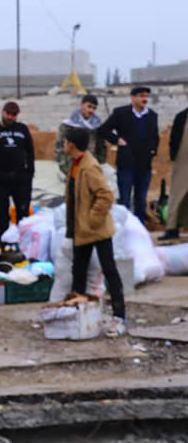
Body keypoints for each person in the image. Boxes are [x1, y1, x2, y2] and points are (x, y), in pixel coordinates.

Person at [63, 127, 126, 337]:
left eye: (65, 141)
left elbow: (105, 195)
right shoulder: (75, 164)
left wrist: (92, 218)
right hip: (82, 230)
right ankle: (77, 312)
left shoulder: (89, 167)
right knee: (78, 271)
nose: (63, 144)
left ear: (72, 144)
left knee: (109, 269)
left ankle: (119, 316)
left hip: (96, 229)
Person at [98, 87, 159, 223]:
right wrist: (117, 140)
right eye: (141, 96)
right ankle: (123, 228)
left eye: (146, 96)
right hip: (126, 164)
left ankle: (139, 229)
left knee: (141, 200)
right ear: (133, 98)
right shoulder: (121, 113)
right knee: (124, 199)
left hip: (144, 165)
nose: (144, 99)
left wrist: (152, 151)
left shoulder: (152, 116)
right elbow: (103, 129)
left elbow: (155, 137)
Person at [0, 101, 35, 237]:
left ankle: (23, 245)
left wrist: (29, 173)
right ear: (3, 112)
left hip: (20, 179)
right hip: (0, 179)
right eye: (8, 114)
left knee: (23, 214)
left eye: (14, 115)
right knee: (1, 214)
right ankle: (3, 243)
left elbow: (30, 152)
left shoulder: (22, 129)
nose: (10, 117)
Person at [55, 94, 105, 177]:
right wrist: (63, 165)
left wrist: (99, 164)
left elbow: (101, 147)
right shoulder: (68, 125)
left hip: (90, 166)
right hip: (71, 165)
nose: (91, 110)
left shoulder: (97, 126)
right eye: (89, 106)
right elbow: (59, 146)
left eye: (94, 108)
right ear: (81, 105)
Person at [164, 106, 188, 240]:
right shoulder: (181, 117)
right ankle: (172, 228)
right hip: (182, 160)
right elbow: (174, 138)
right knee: (177, 194)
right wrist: (173, 156)